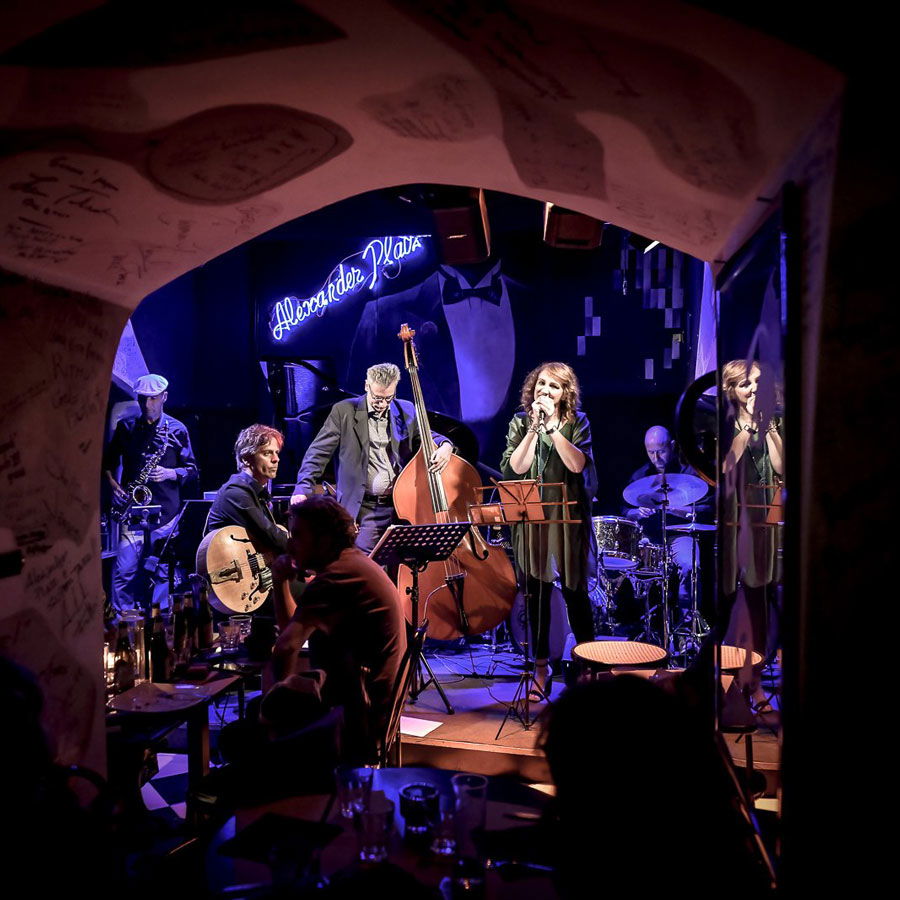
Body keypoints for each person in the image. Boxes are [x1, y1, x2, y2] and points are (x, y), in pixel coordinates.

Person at [267, 496, 407, 763]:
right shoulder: (349, 564)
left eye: (298, 536)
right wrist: (280, 582)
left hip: (358, 716)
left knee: (241, 737)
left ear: (324, 539)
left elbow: (285, 647)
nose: (290, 544)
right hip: (368, 702)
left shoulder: (336, 577)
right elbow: (292, 630)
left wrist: (277, 710)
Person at [500, 362, 597, 700]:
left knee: (575, 594)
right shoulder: (519, 422)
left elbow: (577, 464)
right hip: (532, 520)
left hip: (567, 519)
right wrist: (533, 429)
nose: (545, 390)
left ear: (564, 393)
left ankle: (588, 667)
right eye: (542, 383)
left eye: (554, 386)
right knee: (536, 596)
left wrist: (553, 429)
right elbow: (515, 468)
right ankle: (541, 670)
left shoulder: (577, 422)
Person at [290, 362, 453, 554]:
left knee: (407, 561)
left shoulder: (406, 409)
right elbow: (318, 453)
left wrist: (446, 445)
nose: (382, 404)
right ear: (367, 386)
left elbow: (427, 435)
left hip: (402, 505)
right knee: (369, 563)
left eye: (388, 398)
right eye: (377, 398)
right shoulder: (344, 411)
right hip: (365, 507)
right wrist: (303, 488)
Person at [103, 373, 197, 612]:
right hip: (132, 511)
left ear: (164, 397)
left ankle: (159, 622)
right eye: (143, 398)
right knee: (124, 570)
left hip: (165, 513)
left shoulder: (177, 429)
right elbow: (107, 463)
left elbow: (192, 470)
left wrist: (169, 473)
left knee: (162, 571)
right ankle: (123, 623)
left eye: (153, 398)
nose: (147, 404)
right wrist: (113, 486)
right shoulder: (126, 427)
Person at [720, 359, 784, 659]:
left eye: (758, 381)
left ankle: (763, 658)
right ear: (732, 390)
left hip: (767, 517)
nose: (754, 389)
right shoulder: (724, 423)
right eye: (746, 384)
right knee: (734, 594)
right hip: (736, 517)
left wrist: (769, 427)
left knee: (767, 592)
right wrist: (748, 427)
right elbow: (726, 466)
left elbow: (781, 467)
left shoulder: (776, 420)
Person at [205, 424, 295, 627]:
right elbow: (272, 536)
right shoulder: (237, 492)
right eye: (267, 453)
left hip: (261, 578)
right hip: (239, 585)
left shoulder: (255, 493)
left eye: (277, 453)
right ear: (246, 458)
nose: (276, 459)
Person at [623, 425, 712, 602]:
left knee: (690, 565)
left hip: (679, 533)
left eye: (661, 451)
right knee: (625, 564)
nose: (656, 458)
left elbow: (707, 509)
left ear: (672, 445)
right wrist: (637, 512)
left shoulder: (690, 473)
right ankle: (642, 614)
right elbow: (625, 511)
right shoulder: (640, 476)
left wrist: (676, 508)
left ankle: (687, 616)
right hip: (649, 536)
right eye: (651, 452)